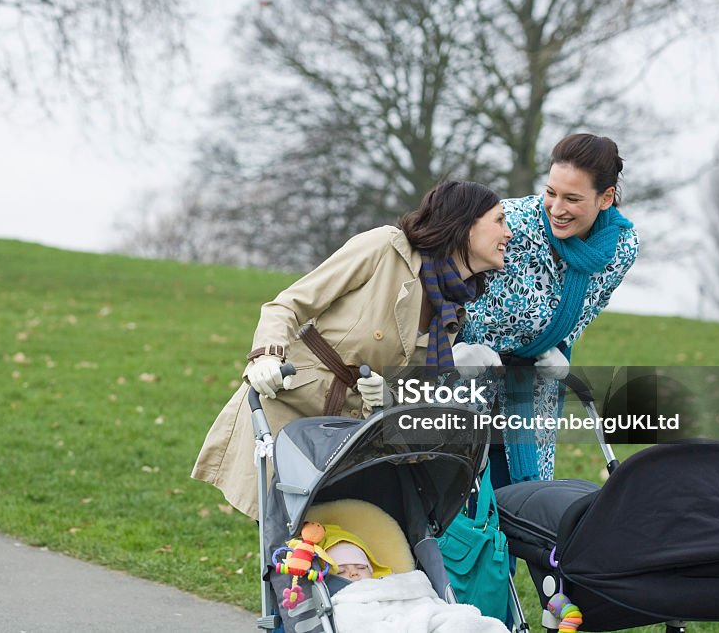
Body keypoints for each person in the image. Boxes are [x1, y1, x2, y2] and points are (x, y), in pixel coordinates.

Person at [192, 180, 513, 518]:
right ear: (464, 224)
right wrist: (267, 356)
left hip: (349, 438)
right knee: (283, 549)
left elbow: (414, 392)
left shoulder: (451, 308)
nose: (508, 233)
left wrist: (387, 397)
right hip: (291, 407)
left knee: (333, 553)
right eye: (499, 220)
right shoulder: (384, 249)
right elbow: (287, 306)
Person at [458, 133, 640, 487]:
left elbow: (590, 306)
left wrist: (561, 347)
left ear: (606, 198)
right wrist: (452, 346)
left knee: (525, 495)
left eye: (572, 198)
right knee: (459, 495)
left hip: (534, 386)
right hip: (466, 374)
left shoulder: (621, 248)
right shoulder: (509, 222)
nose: (556, 208)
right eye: (551, 192)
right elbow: (441, 277)